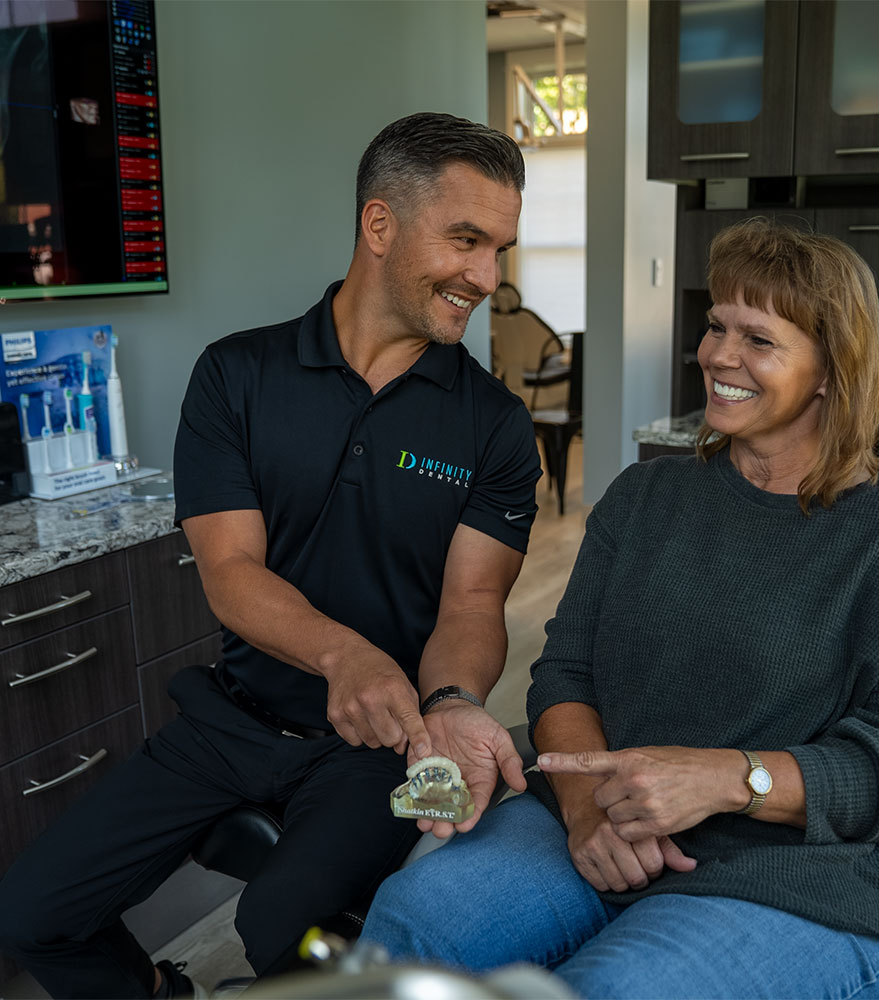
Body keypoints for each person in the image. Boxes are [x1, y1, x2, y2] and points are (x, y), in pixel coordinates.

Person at [0, 112, 541, 998]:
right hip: (232, 719)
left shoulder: (492, 425)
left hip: (377, 743)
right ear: (379, 226)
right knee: (32, 914)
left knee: (276, 925)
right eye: (466, 241)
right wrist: (345, 655)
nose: (486, 278)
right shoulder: (235, 376)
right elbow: (230, 573)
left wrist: (446, 698)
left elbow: (471, 606)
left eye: (500, 249)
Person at [359, 217, 879, 999]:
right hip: (600, 820)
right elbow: (566, 672)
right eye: (716, 326)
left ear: (828, 371)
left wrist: (725, 780)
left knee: (615, 988)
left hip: (805, 874)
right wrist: (583, 808)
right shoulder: (646, 495)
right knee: (409, 926)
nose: (717, 355)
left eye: (758, 339)